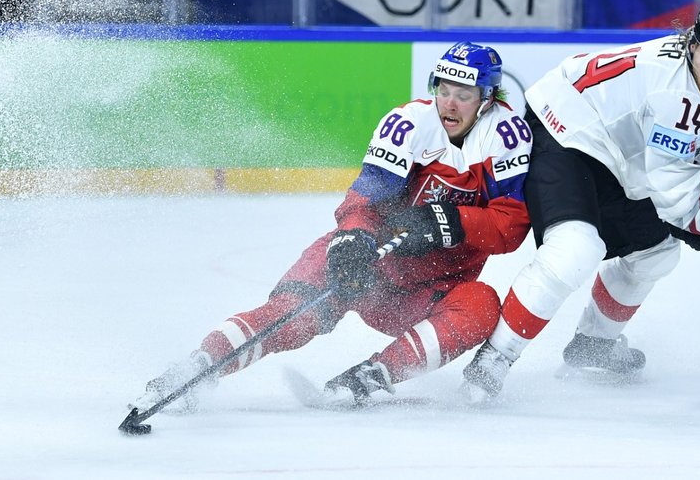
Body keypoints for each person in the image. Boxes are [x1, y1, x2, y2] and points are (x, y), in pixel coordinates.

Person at [130, 42, 532, 411]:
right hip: (369, 263)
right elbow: (365, 199)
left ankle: (372, 376)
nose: (449, 103)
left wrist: (449, 221)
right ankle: (198, 367)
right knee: (291, 315)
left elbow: (512, 227)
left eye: (463, 95)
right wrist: (352, 240)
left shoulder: (508, 138)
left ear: (487, 99)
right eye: (443, 90)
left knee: (480, 305)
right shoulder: (408, 124)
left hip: (427, 292)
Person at [461, 0, 700, 403]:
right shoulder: (675, 92)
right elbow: (676, 200)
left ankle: (593, 347)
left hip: (610, 147)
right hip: (563, 130)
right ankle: (494, 358)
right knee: (575, 249)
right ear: (692, 43)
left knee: (658, 251)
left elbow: (694, 148)